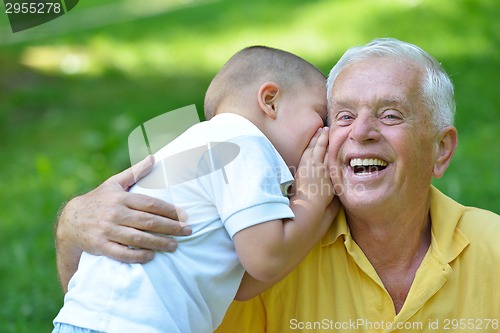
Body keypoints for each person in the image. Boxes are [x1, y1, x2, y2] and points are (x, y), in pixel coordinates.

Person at [55, 38, 500, 333]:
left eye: (390, 115)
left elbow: (241, 281)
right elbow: (256, 269)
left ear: (441, 151)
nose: (358, 132)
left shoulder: (492, 249)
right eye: (337, 118)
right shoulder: (259, 192)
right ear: (269, 101)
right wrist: (71, 226)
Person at [52, 46, 338, 333]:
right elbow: (266, 259)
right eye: (320, 115)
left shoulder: (208, 145)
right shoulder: (245, 143)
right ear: (270, 101)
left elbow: (244, 284)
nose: (326, 131)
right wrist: (311, 196)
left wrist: (323, 215)